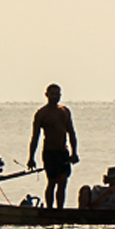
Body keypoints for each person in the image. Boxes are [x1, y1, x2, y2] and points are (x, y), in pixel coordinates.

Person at [28, 83, 78, 212]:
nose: (55, 97)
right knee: (52, 182)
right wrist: (31, 158)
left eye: (57, 94)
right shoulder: (41, 113)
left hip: (63, 152)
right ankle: (50, 210)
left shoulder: (64, 111)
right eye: (52, 94)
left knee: (63, 182)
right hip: (50, 152)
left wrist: (74, 153)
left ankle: (59, 210)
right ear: (47, 95)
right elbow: (35, 137)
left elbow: (71, 133)